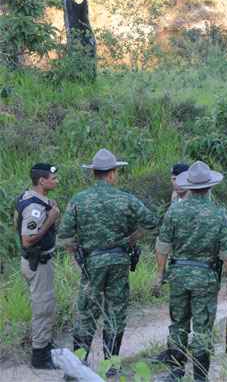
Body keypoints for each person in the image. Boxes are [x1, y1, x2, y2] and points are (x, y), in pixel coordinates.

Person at [57, 148, 158, 375]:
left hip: (92, 262)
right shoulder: (125, 198)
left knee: (86, 311)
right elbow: (152, 222)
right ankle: (111, 366)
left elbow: (64, 235)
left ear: (94, 173)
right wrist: (132, 238)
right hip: (119, 260)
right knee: (116, 311)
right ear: (112, 174)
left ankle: (77, 367)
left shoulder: (79, 199)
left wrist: (77, 251)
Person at [153, 161, 227, 382]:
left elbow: (162, 248)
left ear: (188, 186)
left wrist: (160, 275)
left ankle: (175, 373)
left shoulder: (175, 211)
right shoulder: (218, 214)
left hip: (178, 275)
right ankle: (200, 377)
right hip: (206, 278)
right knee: (202, 328)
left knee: (178, 324)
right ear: (210, 187)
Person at [15, 163, 60, 369]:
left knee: (46, 305)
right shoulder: (34, 206)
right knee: (43, 308)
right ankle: (40, 357)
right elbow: (28, 239)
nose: (56, 180)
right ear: (42, 181)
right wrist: (50, 220)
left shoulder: (31, 197)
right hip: (37, 262)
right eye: (53, 178)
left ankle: (45, 345)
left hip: (37, 261)